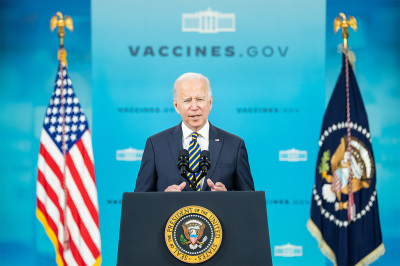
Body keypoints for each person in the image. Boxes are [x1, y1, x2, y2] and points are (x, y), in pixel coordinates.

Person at [134, 73, 255, 192]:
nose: (194, 107)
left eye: (200, 99)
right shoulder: (156, 145)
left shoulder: (234, 145)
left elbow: (249, 203)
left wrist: (227, 198)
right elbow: (139, 203)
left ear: (210, 102)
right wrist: (163, 200)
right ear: (176, 105)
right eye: (187, 100)